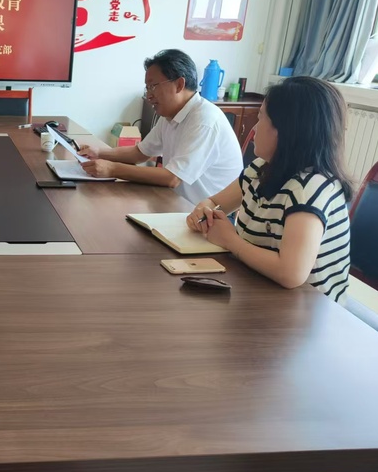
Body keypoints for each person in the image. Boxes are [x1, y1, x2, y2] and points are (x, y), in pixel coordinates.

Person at [186, 76, 351, 302]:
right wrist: (203, 212)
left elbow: (291, 273)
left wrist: (230, 240)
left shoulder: (310, 188)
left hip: (307, 310)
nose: (254, 128)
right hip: (261, 289)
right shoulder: (260, 169)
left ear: (285, 129)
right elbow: (214, 202)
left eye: (261, 117)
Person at [78, 49, 242, 204]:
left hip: (207, 213)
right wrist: (99, 153)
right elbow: (140, 153)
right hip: (178, 201)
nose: (149, 95)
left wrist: (113, 169)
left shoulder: (204, 121)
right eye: (147, 87)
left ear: (179, 85)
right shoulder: (171, 114)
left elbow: (172, 178)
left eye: (153, 86)